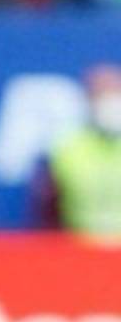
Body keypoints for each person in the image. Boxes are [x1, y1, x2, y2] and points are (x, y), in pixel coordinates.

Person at [39, 64, 121, 237]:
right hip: (78, 251)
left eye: (115, 93)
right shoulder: (66, 148)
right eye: (101, 95)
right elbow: (48, 206)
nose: (110, 102)